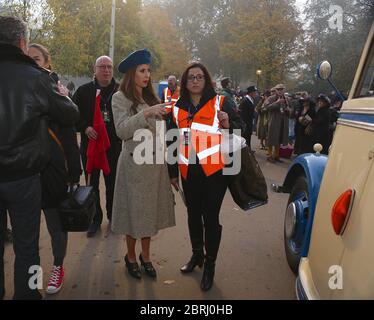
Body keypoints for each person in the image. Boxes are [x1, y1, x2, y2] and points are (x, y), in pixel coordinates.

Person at [0, 16, 79, 300]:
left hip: (22, 176)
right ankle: (28, 294)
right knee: (26, 248)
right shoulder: (36, 78)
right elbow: (70, 114)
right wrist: (63, 95)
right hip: (24, 179)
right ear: (21, 42)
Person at [168, 62, 244, 291]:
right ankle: (197, 255)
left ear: (206, 79)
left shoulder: (221, 102)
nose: (195, 80)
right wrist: (172, 172)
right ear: (185, 81)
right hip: (188, 170)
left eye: (199, 76)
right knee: (193, 214)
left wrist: (228, 124)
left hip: (215, 172)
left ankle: (210, 265)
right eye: (191, 77)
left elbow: (243, 129)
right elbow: (171, 139)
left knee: (210, 218)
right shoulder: (176, 107)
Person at [111, 49, 175, 280]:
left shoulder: (153, 98)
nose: (147, 75)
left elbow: (161, 135)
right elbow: (121, 131)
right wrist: (146, 113)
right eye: (142, 71)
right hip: (133, 167)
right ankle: (130, 256)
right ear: (132, 74)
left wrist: (167, 167)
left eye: (148, 70)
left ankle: (146, 256)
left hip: (153, 165)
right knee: (133, 214)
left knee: (148, 216)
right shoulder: (120, 98)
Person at [28, 43, 82, 294]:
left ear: (47, 63)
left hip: (52, 172)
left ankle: (58, 266)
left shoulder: (58, 93)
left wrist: (74, 172)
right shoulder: (17, 89)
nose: (31, 62)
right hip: (25, 172)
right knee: (26, 233)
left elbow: (70, 137)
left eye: (36, 58)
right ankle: (32, 277)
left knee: (55, 226)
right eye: (27, 58)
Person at [73, 56, 122, 237]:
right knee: (92, 185)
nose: (107, 70)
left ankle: (113, 216)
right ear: (95, 69)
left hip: (114, 147)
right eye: (102, 67)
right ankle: (95, 218)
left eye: (109, 67)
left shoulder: (120, 91)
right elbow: (73, 114)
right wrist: (85, 127)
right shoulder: (84, 91)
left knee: (113, 183)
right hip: (91, 148)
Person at [263, 83, 290, 163]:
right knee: (272, 138)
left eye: (281, 89)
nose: (280, 91)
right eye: (278, 89)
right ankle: (270, 155)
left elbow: (291, 110)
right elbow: (266, 108)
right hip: (273, 121)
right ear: (276, 90)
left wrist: (289, 110)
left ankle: (276, 156)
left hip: (283, 122)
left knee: (279, 139)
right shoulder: (271, 98)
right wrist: (277, 103)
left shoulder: (286, 99)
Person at [239, 85, 258, 151]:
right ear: (250, 93)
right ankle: (246, 150)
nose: (256, 94)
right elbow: (242, 113)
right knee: (245, 136)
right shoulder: (245, 101)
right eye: (255, 92)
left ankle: (248, 148)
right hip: (246, 122)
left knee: (249, 135)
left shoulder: (250, 100)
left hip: (249, 121)